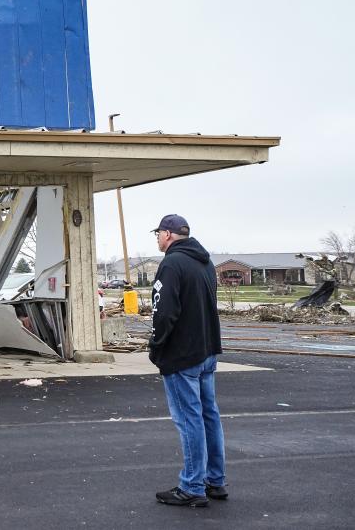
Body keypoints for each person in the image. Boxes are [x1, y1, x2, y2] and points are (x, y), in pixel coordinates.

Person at [148, 214, 227, 507]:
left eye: (158, 233)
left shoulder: (171, 263)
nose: (157, 238)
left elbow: (163, 311)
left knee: (189, 419)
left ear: (168, 234)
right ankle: (214, 480)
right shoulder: (204, 262)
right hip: (206, 351)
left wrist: (156, 347)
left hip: (182, 355)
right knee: (209, 416)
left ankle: (192, 485)